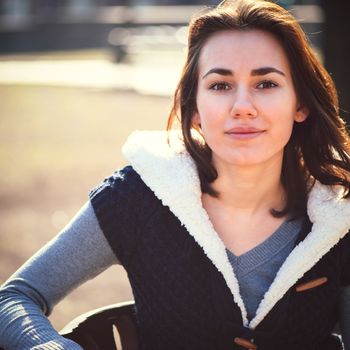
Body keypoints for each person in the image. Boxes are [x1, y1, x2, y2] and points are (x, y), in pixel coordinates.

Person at [1, 0, 350, 349]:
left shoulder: (339, 214)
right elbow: (14, 298)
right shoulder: (136, 198)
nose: (243, 106)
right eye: (220, 86)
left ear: (300, 104)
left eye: (266, 84)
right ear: (194, 109)